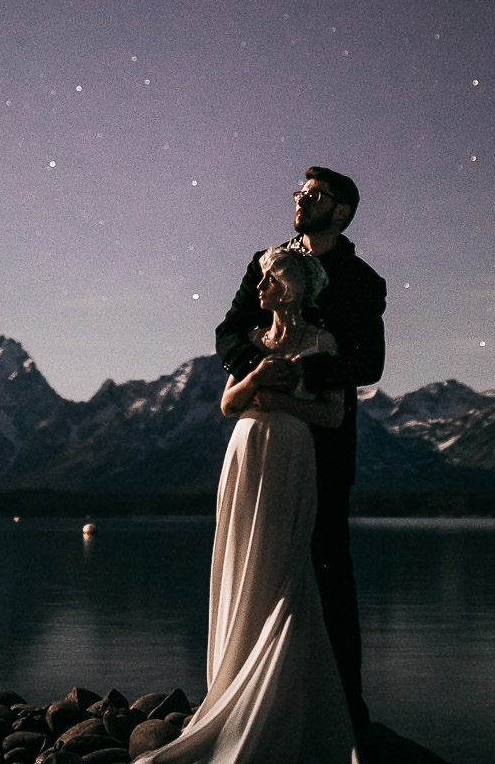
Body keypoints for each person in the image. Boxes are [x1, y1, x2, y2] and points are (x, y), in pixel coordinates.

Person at [139, 246, 359, 763]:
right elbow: (228, 404)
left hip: (289, 454)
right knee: (242, 563)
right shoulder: (253, 342)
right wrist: (257, 379)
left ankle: (275, 700)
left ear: (298, 286)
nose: (260, 289)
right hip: (244, 456)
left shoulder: (324, 342)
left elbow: (330, 418)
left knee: (283, 570)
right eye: (261, 280)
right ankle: (234, 682)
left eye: (271, 278)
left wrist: (274, 400)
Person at [214, 166, 386, 736]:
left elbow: (369, 363)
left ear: (340, 210)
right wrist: (258, 374)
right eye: (299, 192)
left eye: (314, 195)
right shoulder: (264, 262)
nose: (300, 200)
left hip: (327, 441)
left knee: (329, 564)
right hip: (262, 443)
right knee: (257, 559)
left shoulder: (363, 281)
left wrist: (304, 370)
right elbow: (229, 332)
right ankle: (250, 694)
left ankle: (345, 705)